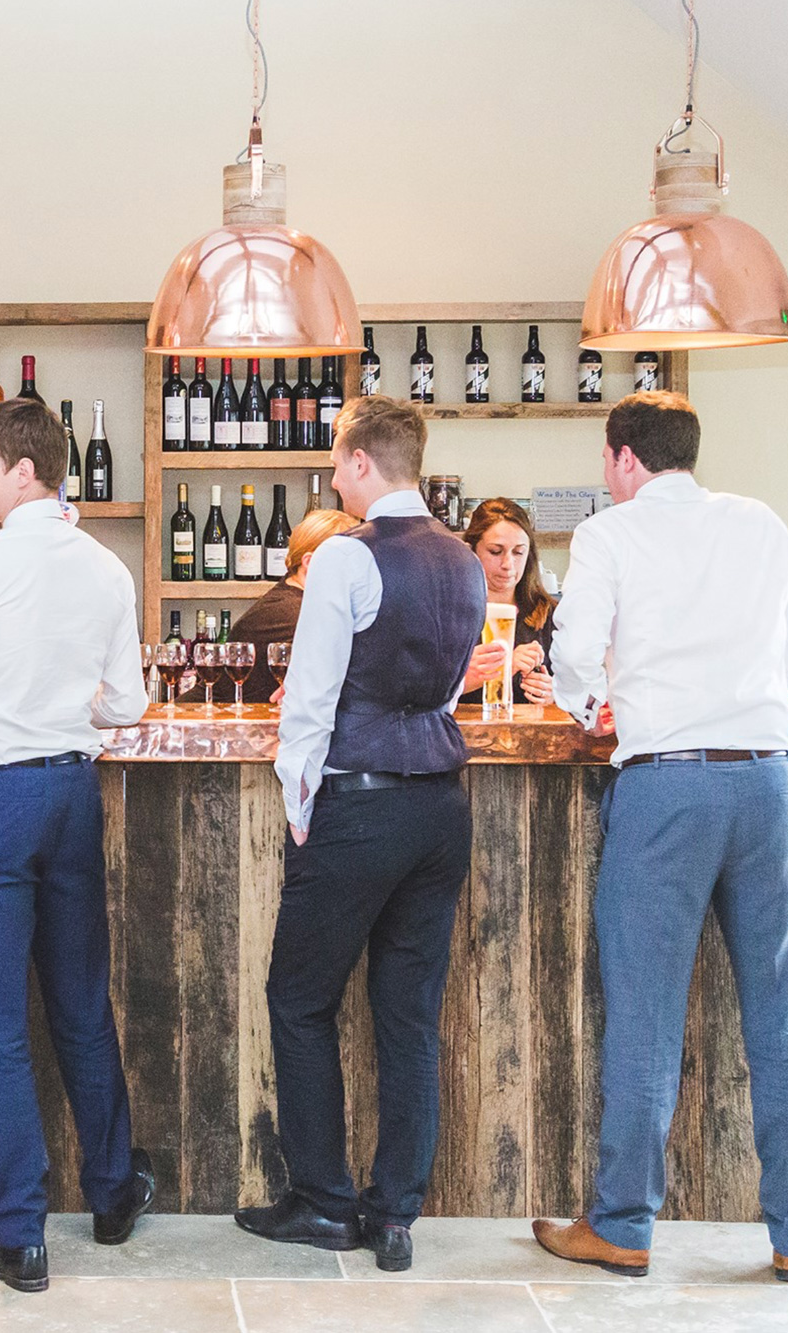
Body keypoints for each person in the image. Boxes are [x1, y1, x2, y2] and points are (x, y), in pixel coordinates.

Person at [531, 391, 788, 1283]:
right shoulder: (761, 523)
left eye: (605, 457)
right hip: (770, 782)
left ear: (625, 457)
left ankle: (623, 1224)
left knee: (644, 1018)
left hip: (666, 786)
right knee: (783, 1022)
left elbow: (577, 657)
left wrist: (592, 704)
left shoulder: (609, 534)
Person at [0, 398, 154, 1294]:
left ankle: (21, 1232)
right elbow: (126, 703)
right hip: (71, 794)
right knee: (81, 1001)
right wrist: (65, 707)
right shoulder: (106, 564)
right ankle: (115, 1189)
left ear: (23, 469)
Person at [235, 395, 485, 1272]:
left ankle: (324, 1200)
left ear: (364, 464)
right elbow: (450, 689)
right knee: (409, 1015)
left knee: (300, 999)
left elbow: (311, 697)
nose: (334, 475)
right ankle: (396, 1213)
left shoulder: (346, 555)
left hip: (362, 801)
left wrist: (302, 800)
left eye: (340, 463)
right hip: (442, 803)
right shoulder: (464, 558)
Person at [236, 507, 359, 702]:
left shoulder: (291, 596)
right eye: (350, 561)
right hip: (218, 728)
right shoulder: (295, 613)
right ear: (310, 562)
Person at [456, 497, 556, 707]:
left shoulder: (549, 614)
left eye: (518, 552)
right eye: (495, 551)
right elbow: (426, 695)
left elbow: (575, 692)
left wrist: (550, 693)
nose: (508, 564)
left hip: (531, 737)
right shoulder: (450, 615)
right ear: (472, 550)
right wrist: (503, 668)